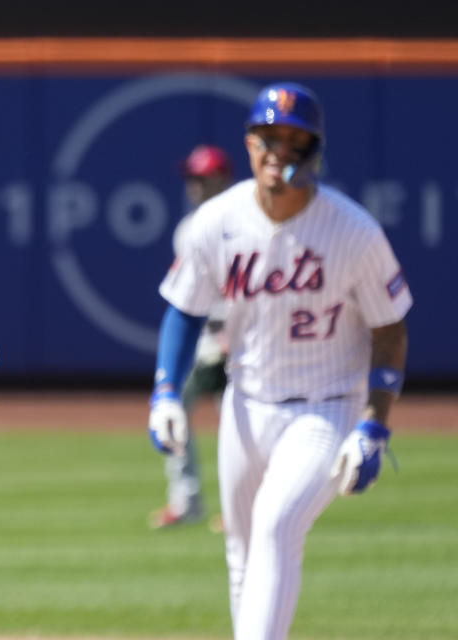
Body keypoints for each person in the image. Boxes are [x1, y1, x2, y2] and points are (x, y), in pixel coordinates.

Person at [147, 82, 410, 639]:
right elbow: (183, 310)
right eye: (269, 137)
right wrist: (166, 390)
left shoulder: (353, 230)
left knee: (275, 526)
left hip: (327, 406)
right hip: (246, 405)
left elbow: (389, 329)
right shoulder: (216, 221)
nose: (280, 152)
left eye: (296, 140)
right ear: (249, 144)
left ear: (315, 149)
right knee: (242, 555)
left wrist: (374, 424)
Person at [148, 144, 233, 530]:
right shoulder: (190, 228)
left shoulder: (244, 220)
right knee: (174, 410)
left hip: (240, 340)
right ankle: (187, 501)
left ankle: (240, 507)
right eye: (191, 178)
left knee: (241, 426)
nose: (193, 185)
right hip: (204, 341)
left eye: (200, 178)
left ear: (220, 179)